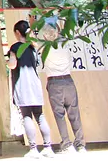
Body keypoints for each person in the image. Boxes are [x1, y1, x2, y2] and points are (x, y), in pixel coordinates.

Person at [9, 20, 55, 158]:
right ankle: (48, 147)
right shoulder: (33, 47)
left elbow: (12, 64)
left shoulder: (15, 47)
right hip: (35, 84)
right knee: (40, 116)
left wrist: (7, 62)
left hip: (22, 85)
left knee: (27, 116)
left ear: (17, 33)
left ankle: (33, 149)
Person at [39, 24, 86, 154]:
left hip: (54, 82)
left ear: (45, 36)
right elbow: (63, 31)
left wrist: (33, 24)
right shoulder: (65, 43)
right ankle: (80, 144)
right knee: (74, 114)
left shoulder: (44, 47)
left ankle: (67, 144)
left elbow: (31, 39)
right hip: (68, 80)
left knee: (59, 115)